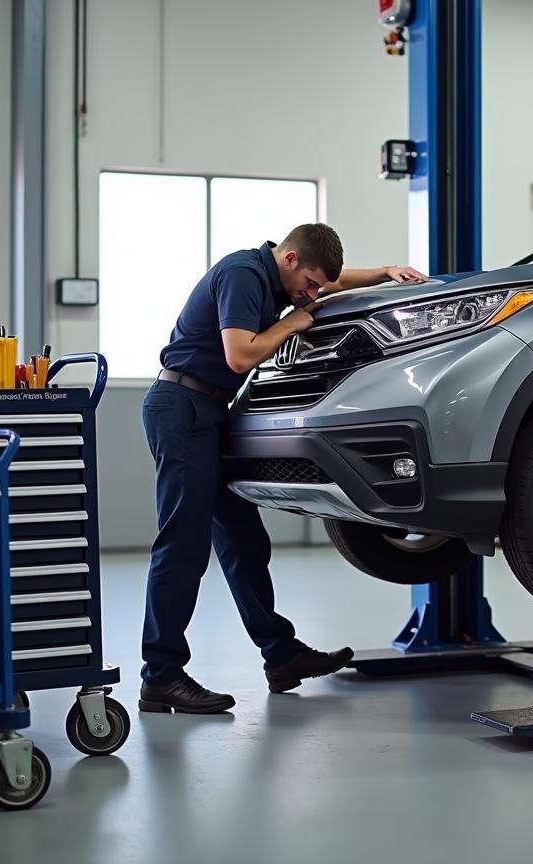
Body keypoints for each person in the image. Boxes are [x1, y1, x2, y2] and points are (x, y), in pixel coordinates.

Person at [138, 224, 427, 714]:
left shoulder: (281, 274)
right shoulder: (243, 273)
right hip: (181, 408)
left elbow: (329, 283)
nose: (312, 296)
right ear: (289, 258)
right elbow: (240, 354)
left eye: (316, 287)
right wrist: (292, 324)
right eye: (309, 283)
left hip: (209, 413)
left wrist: (383, 272)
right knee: (183, 545)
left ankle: (281, 655)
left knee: (244, 542)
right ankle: (161, 676)